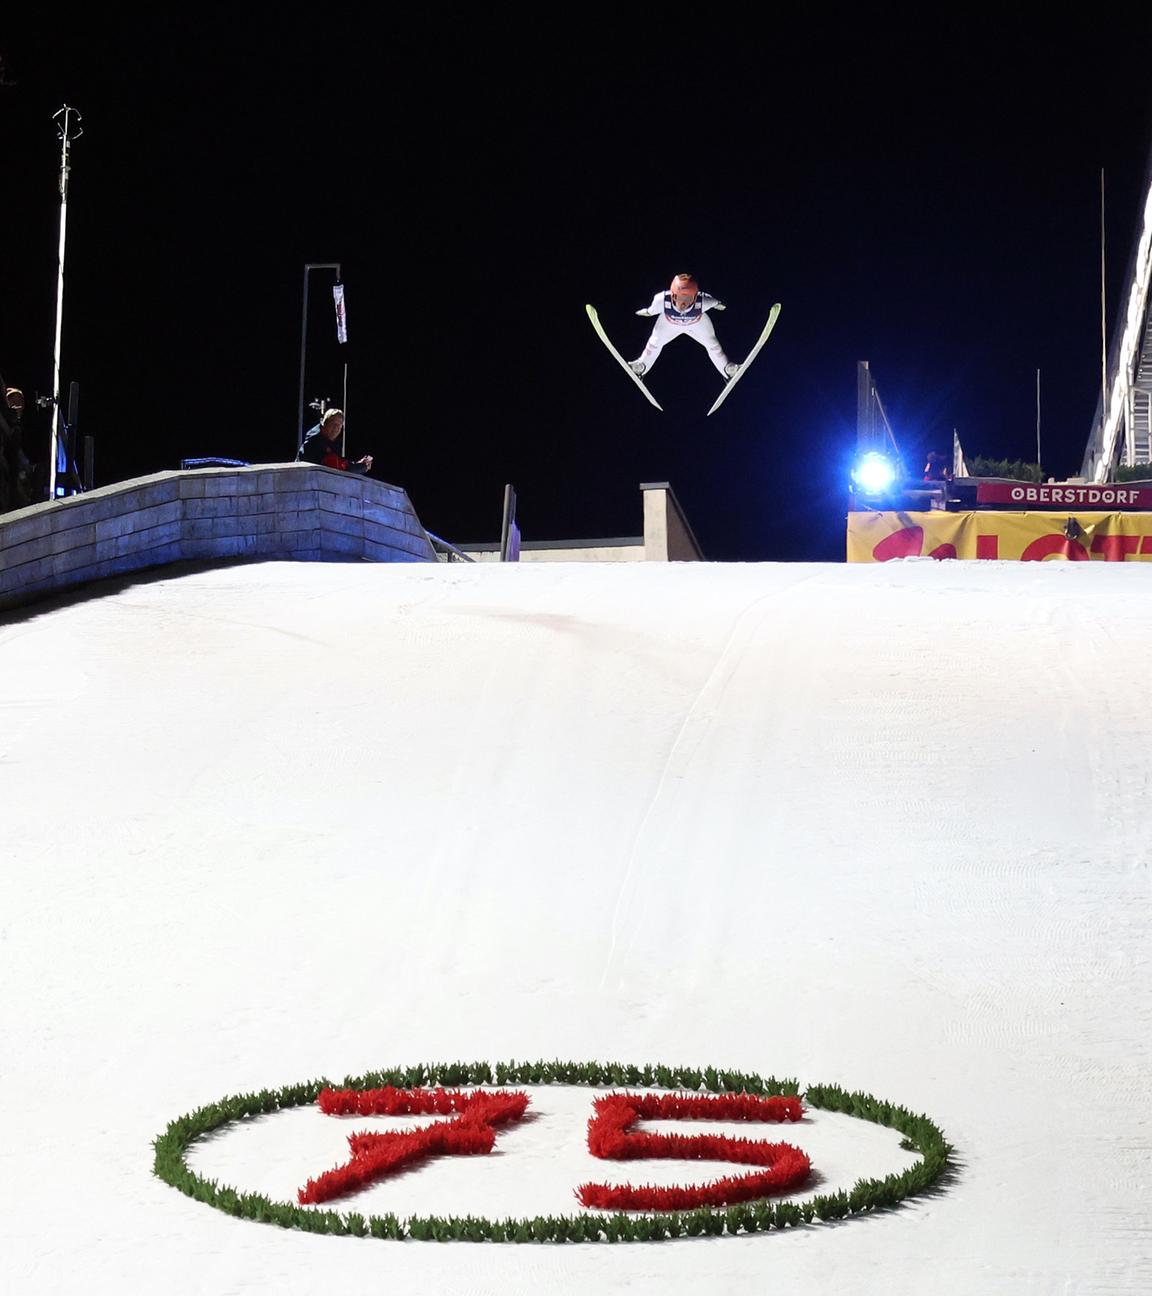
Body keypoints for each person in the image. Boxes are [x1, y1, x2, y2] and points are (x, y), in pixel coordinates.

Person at [629, 273, 739, 380]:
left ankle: (727, 369)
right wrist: (646, 311)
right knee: (654, 343)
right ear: (672, 294)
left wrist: (719, 304)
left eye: (688, 299)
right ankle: (641, 367)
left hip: (696, 323)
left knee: (712, 344)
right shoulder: (661, 300)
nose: (683, 304)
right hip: (669, 324)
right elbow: (651, 310)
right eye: (680, 297)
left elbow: (716, 302)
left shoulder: (703, 301)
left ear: (695, 296)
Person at [296, 409, 373, 474]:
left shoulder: (331, 443)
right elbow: (335, 465)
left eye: (339, 426)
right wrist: (361, 467)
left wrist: (358, 464)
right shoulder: (315, 441)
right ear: (324, 423)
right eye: (333, 424)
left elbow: (338, 462)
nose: (336, 429)